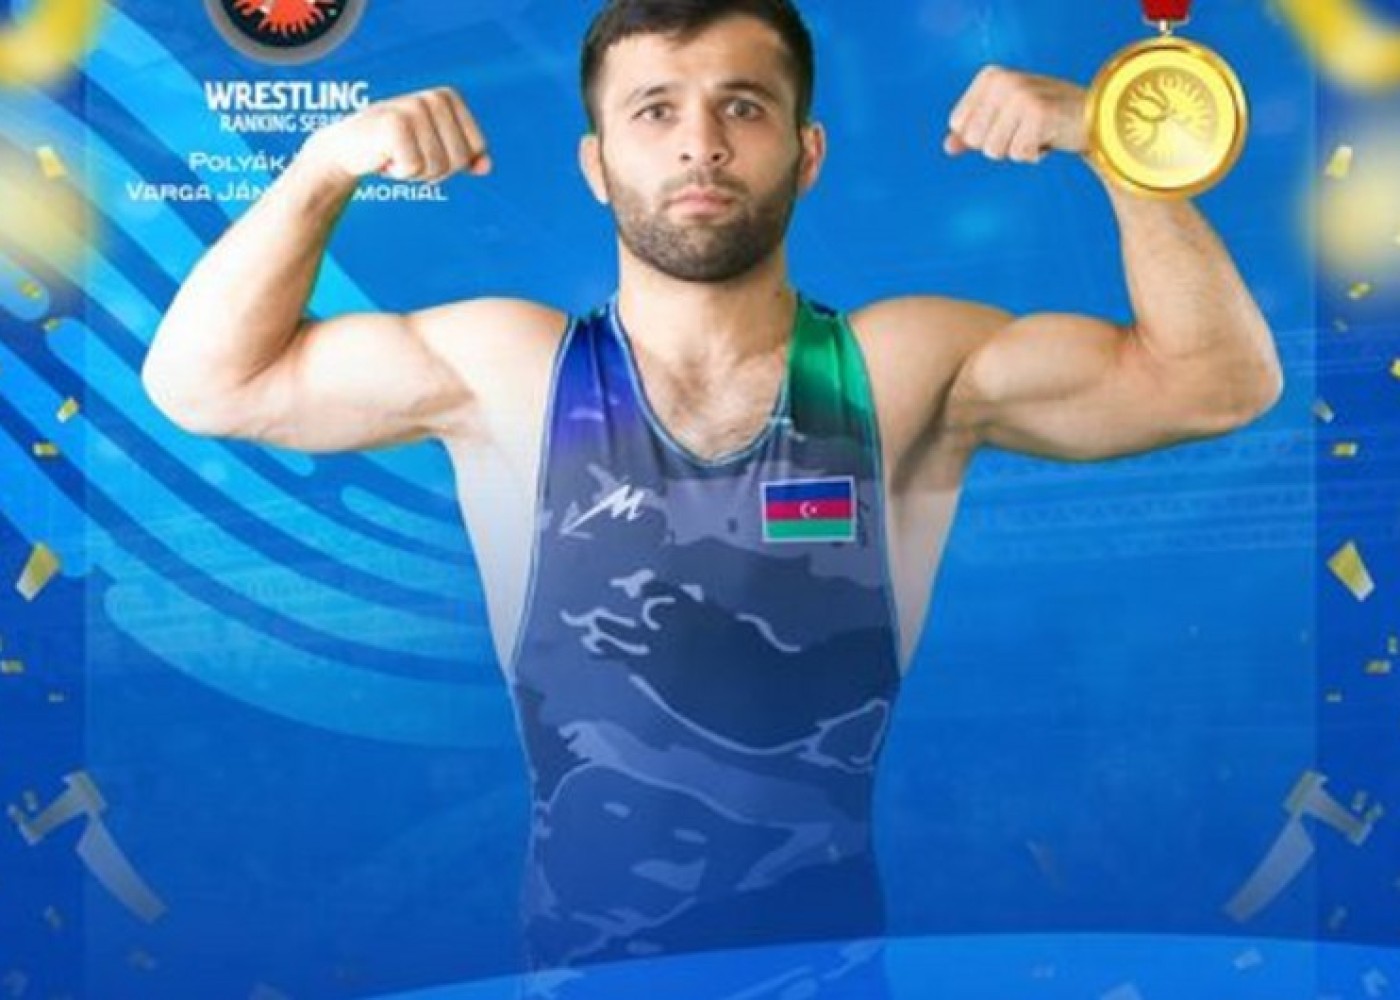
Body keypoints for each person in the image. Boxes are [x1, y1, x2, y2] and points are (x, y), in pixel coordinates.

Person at [143, 0, 1283, 990]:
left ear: (806, 152)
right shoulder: (509, 374)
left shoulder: (898, 371)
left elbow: (1217, 384)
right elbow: (202, 385)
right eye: (655, 110)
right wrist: (322, 167)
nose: (701, 143)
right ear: (597, 163)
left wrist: (1114, 146)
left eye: (742, 106)